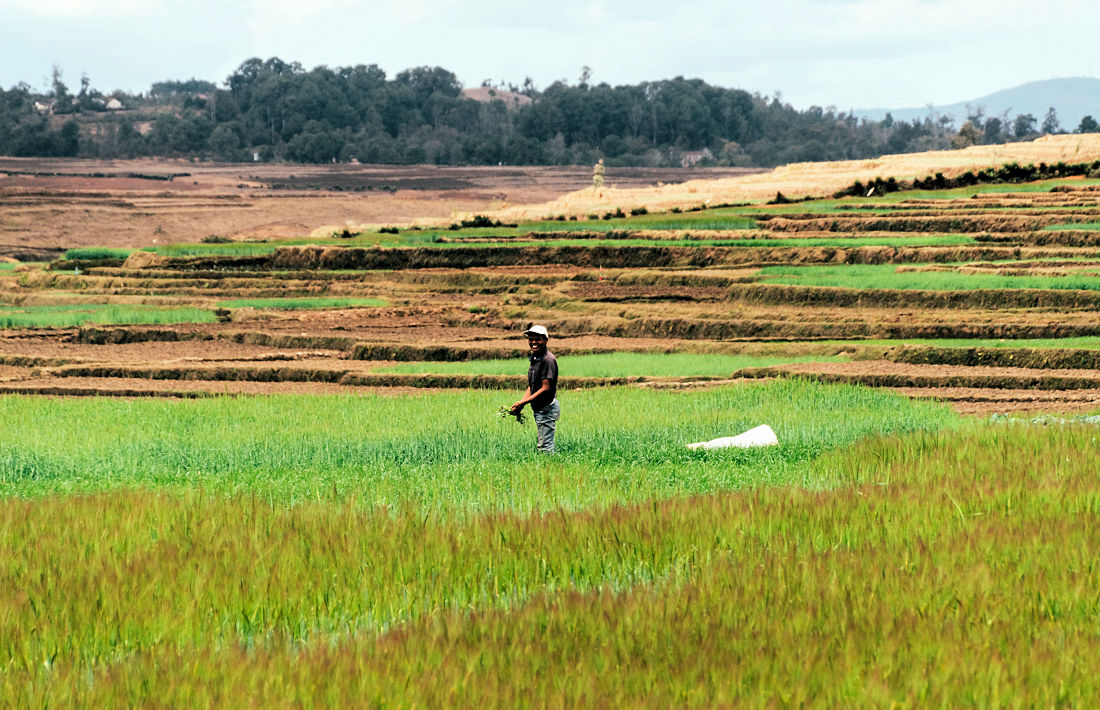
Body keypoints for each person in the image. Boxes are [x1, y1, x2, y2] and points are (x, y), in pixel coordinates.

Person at [510, 325, 560, 453]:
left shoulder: (548, 359)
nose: (533, 342)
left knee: (545, 448)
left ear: (546, 340)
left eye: (538, 339)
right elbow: (532, 386)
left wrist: (523, 403)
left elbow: (545, 388)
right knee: (543, 444)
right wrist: (522, 402)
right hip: (539, 407)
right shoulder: (535, 357)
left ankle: (549, 470)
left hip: (546, 408)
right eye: (531, 339)